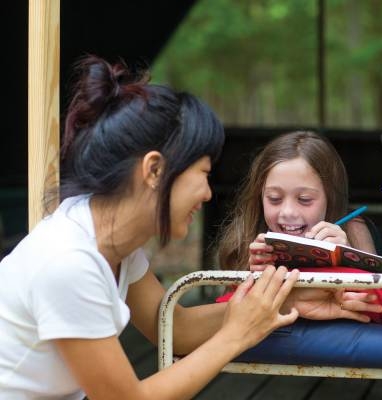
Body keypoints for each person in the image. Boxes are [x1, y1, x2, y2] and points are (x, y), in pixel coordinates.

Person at [0, 56, 362, 399]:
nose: (206, 194)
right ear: (154, 170)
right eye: (203, 174)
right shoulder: (69, 261)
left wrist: (293, 297)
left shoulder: (108, 242)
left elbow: (177, 331)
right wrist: (235, 336)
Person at [214, 130, 382, 324]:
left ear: (330, 198)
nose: (287, 212)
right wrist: (254, 273)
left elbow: (380, 304)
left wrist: (348, 258)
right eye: (274, 199)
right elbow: (225, 316)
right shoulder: (248, 235)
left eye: (304, 200)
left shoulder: (352, 228)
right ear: (260, 196)